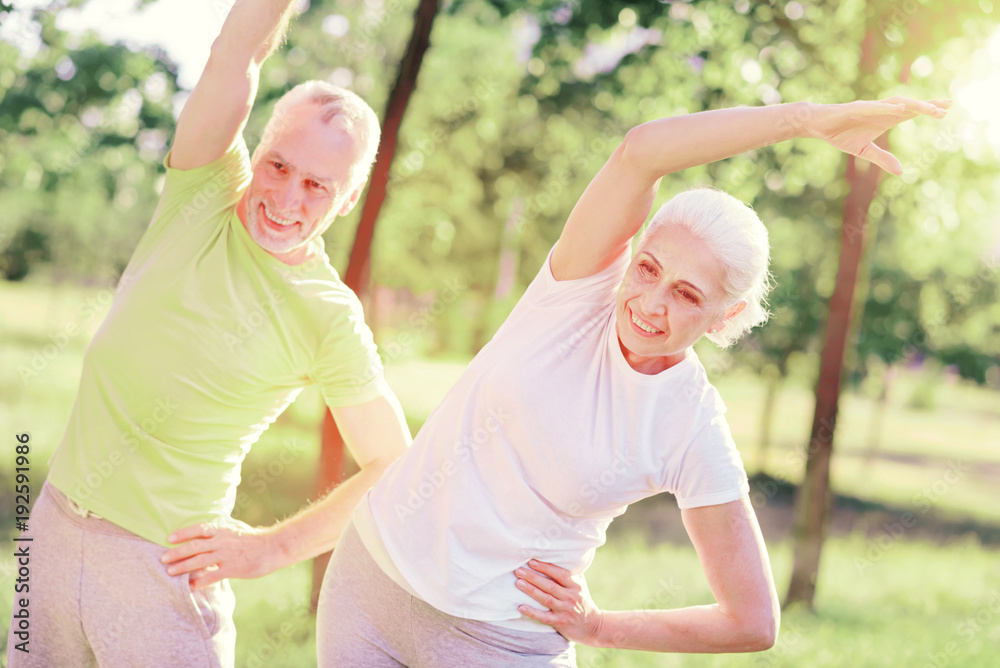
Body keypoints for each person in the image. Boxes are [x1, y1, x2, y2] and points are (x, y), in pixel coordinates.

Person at [315, 97, 949, 666]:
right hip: (370, 586)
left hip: (501, 644)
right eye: (647, 268)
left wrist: (597, 626)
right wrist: (808, 120)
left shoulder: (690, 426)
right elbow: (642, 151)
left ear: (724, 317)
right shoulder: (578, 289)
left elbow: (752, 621)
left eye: (685, 293)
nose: (649, 301)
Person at [7, 2, 412, 666]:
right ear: (260, 148)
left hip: (160, 570)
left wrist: (271, 548)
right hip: (52, 529)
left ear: (346, 199)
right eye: (279, 166)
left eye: (317, 186)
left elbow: (395, 466)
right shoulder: (206, 190)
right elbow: (237, 50)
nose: (286, 198)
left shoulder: (326, 315)